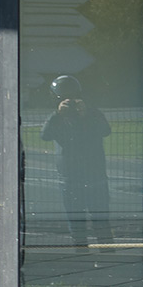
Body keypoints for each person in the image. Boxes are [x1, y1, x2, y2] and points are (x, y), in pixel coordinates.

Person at [41, 75, 111, 246]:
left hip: (95, 175)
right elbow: (45, 135)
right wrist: (57, 114)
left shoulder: (92, 113)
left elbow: (105, 130)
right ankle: (81, 251)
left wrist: (85, 114)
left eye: (72, 97)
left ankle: (107, 249)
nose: (70, 102)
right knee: (75, 220)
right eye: (65, 99)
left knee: (101, 219)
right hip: (70, 177)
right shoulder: (57, 118)